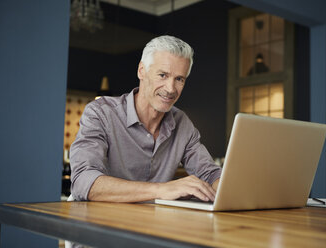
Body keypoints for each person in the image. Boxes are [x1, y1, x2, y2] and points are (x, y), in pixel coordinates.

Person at [70, 35, 221, 203]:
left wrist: (230, 187)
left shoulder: (182, 123)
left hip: (151, 225)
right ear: (141, 71)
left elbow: (210, 174)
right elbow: (83, 181)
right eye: (163, 75)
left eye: (179, 79)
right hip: (100, 223)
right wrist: (162, 189)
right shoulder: (101, 112)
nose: (171, 89)